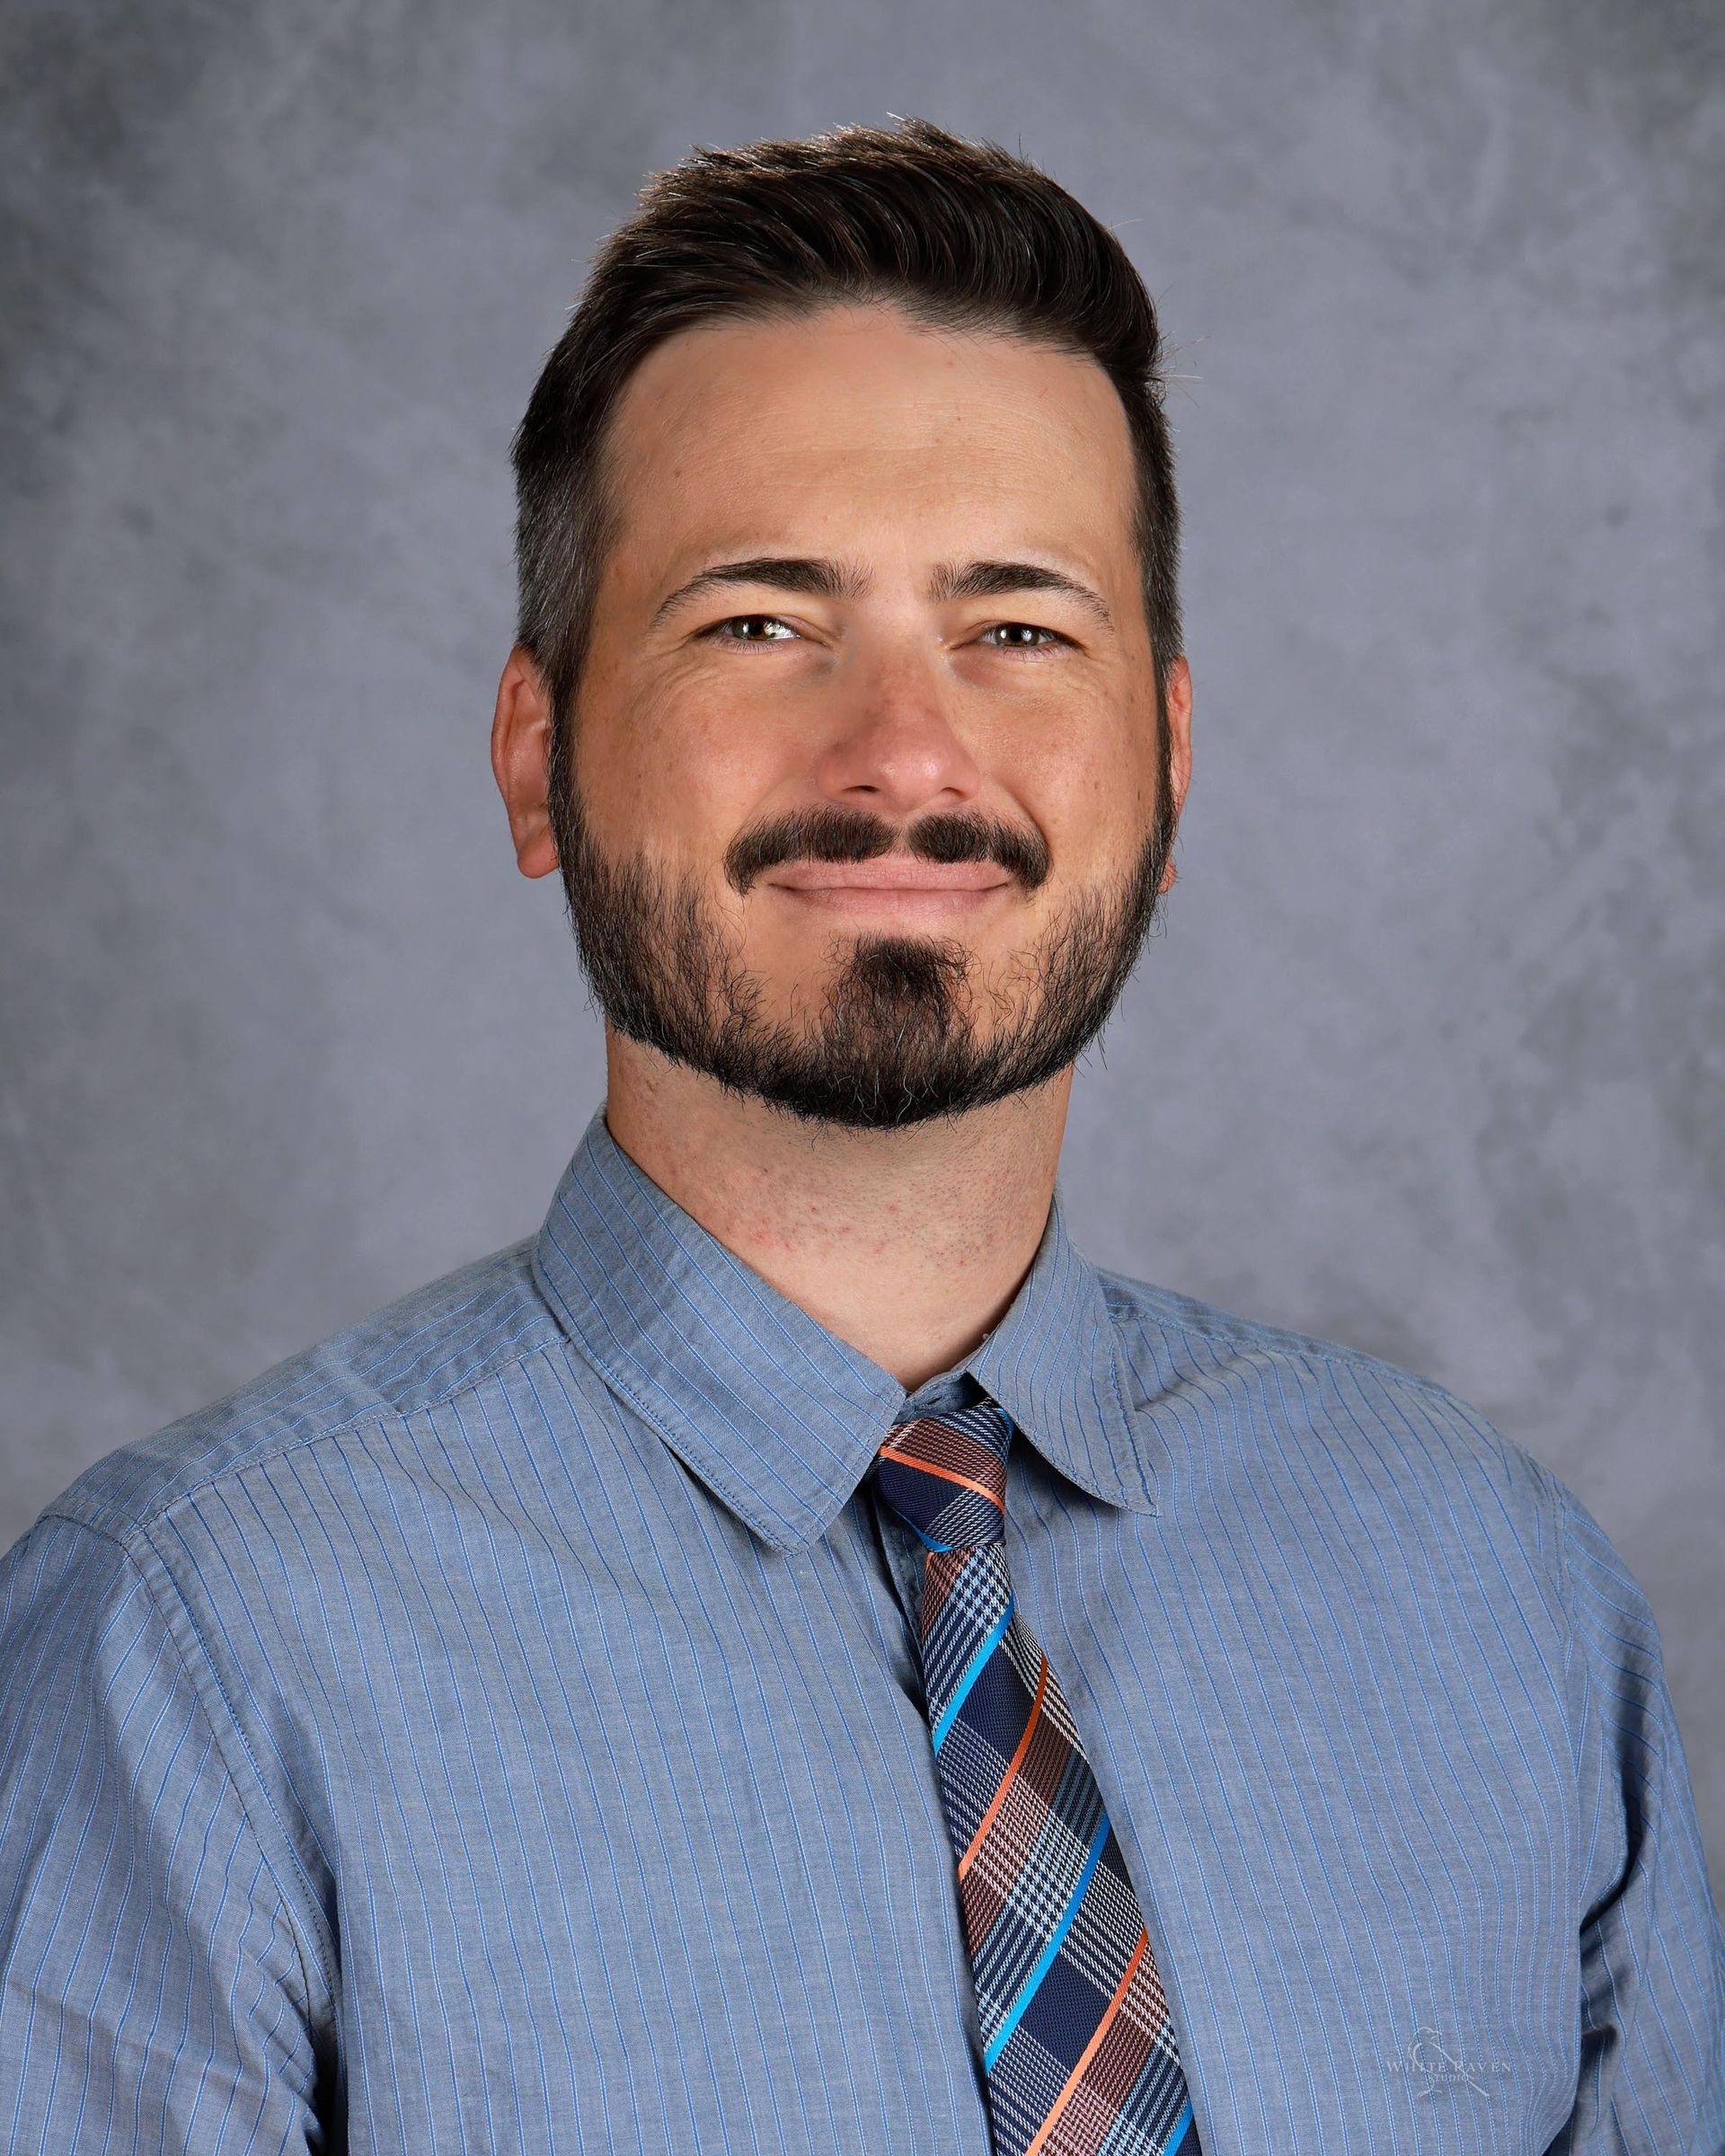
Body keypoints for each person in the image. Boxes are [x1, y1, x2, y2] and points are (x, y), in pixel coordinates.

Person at [1, 116, 1720, 2156]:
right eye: (759, 621)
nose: (904, 754)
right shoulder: (192, 1663)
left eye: (1018, 629)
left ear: (1164, 767)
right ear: (538, 757)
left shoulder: (1498, 1604)